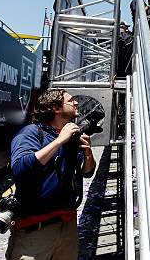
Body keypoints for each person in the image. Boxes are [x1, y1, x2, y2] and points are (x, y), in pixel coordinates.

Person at [6, 89, 97, 260]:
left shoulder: (72, 138)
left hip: (67, 225)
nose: (76, 103)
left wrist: (88, 154)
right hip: (36, 231)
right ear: (56, 108)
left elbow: (87, 172)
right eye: (71, 101)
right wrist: (59, 141)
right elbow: (20, 168)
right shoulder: (31, 132)